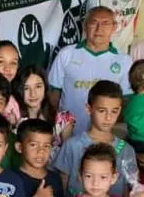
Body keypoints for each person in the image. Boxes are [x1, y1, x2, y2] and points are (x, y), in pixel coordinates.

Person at [48, 7, 132, 135]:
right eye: (94, 22)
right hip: (67, 133)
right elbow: (54, 93)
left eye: (105, 23)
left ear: (114, 27)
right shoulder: (66, 54)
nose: (99, 29)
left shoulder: (124, 60)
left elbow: (125, 100)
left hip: (104, 135)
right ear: (85, 25)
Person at [53, 80, 137, 197]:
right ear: (88, 109)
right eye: (102, 111)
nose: (108, 117)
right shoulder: (72, 146)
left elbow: (128, 192)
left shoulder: (126, 150)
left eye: (114, 111)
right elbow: (61, 188)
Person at [14, 66, 74, 162]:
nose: (33, 94)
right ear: (19, 90)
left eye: (38, 86)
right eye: (26, 88)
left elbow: (68, 158)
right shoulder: (14, 120)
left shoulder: (63, 120)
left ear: (45, 87)